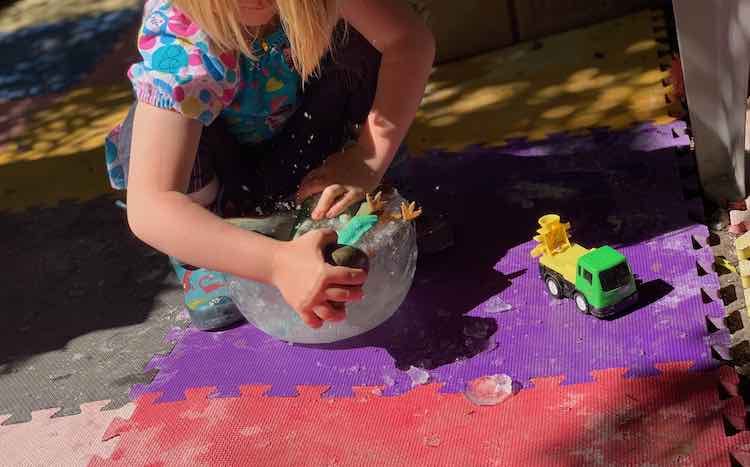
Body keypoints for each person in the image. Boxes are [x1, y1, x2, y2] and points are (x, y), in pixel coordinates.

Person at [103, 0, 435, 330]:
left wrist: (367, 159)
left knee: (361, 38)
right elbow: (150, 206)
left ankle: (371, 195)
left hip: (303, 149)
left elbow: (406, 40)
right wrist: (276, 264)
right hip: (220, 178)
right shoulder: (182, 45)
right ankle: (203, 255)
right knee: (155, 132)